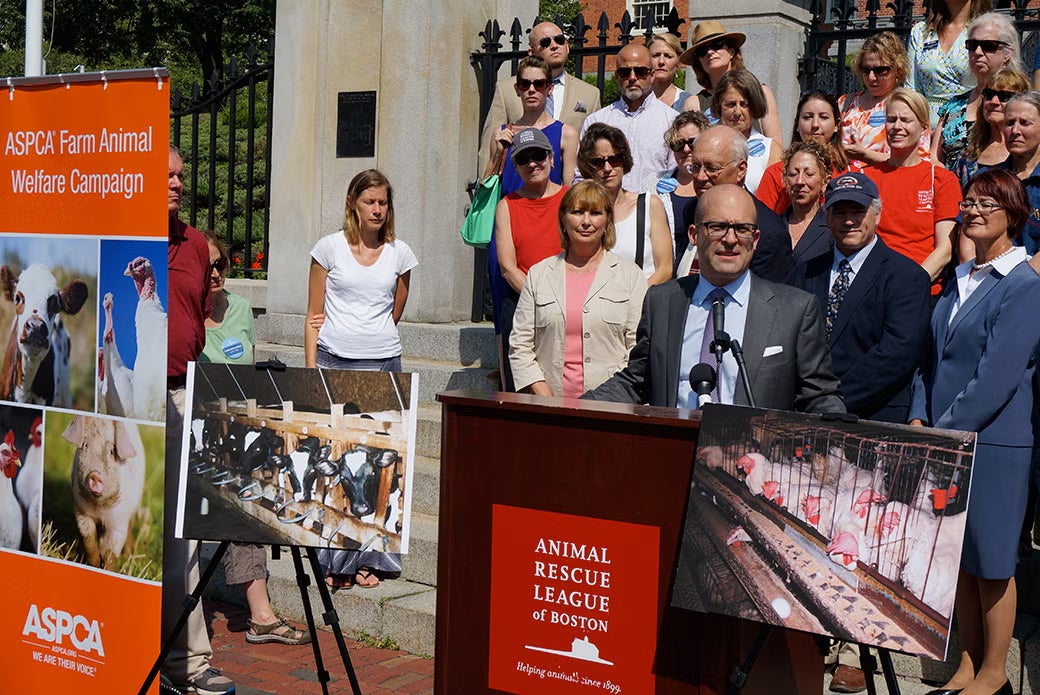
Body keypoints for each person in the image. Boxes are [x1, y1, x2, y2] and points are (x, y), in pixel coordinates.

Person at [910, 168, 1040, 695]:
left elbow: (996, 378)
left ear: (1014, 214)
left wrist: (944, 431)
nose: (976, 209)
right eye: (969, 201)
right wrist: (919, 416)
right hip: (946, 440)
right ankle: (965, 665)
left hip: (995, 444)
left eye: (990, 202)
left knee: (991, 561)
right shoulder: (957, 282)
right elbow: (929, 361)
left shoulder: (1025, 286)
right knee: (957, 561)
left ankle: (993, 673)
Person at [583, 183, 845, 414]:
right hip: (674, 455)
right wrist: (578, 407)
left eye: (742, 229)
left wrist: (840, 433)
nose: (730, 239)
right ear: (694, 235)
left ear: (755, 240)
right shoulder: (662, 301)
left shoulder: (795, 310)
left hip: (753, 463)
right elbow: (637, 381)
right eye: (718, 227)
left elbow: (820, 396)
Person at [305, 169, 417, 590]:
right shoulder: (328, 248)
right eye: (370, 201)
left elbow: (397, 304)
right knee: (337, 463)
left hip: (384, 363)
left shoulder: (399, 253)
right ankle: (336, 557)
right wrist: (313, 368)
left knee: (380, 464)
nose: (377, 209)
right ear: (353, 201)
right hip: (336, 361)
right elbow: (313, 313)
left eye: (383, 202)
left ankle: (375, 557)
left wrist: (374, 336)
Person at [200, 231, 310, 647]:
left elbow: (247, 366)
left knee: (247, 508)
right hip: (196, 425)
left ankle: (261, 616)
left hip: (238, 428)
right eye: (206, 265)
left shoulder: (243, 309)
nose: (214, 273)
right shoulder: (184, 313)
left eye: (220, 264)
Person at [162, 146, 236, 695]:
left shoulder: (194, 245)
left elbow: (197, 316)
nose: (176, 183)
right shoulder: (126, 236)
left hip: (181, 395)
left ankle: (187, 663)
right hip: (124, 405)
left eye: (181, 175)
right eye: (166, 174)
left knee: (181, 536)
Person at [789, 172, 931, 422]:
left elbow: (896, 353)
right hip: (807, 413)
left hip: (873, 416)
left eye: (857, 211)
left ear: (877, 215)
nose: (849, 221)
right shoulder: (806, 270)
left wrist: (833, 401)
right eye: (840, 212)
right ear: (827, 217)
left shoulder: (907, 277)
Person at [509, 181, 647, 397]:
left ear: (607, 221)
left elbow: (637, 347)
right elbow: (520, 344)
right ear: (563, 219)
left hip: (611, 405)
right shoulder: (539, 274)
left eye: (595, 213)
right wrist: (544, 395)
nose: (586, 222)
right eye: (577, 212)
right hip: (549, 404)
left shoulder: (630, 276)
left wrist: (611, 395)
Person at [862, 88, 961, 293]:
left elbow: (945, 250)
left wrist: (911, 285)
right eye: (891, 119)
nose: (897, 127)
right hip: (871, 287)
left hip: (919, 289)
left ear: (924, 127)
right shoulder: (866, 178)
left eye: (906, 120)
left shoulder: (941, 179)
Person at [493, 128, 567, 390]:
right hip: (522, 304)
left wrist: (559, 303)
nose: (533, 163)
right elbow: (508, 267)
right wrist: (541, 300)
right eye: (524, 159)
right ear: (516, 166)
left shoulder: (570, 199)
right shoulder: (507, 205)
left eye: (538, 155)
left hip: (568, 304)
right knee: (521, 389)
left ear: (552, 158)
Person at [478, 21, 600, 176]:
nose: (555, 46)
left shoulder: (590, 93)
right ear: (531, 51)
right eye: (545, 42)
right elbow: (490, 145)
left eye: (560, 40)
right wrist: (484, 189)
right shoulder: (507, 89)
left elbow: (596, 149)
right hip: (518, 182)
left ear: (567, 46)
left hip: (566, 188)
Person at [674, 125, 793, 282]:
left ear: (741, 170)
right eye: (695, 167)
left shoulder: (769, 233)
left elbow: (767, 301)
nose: (701, 177)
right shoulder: (691, 210)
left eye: (712, 168)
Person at [577, 124, 672, 285]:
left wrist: (633, 298)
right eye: (598, 162)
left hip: (641, 302)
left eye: (614, 160)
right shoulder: (580, 212)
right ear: (588, 166)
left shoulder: (649, 205)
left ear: (624, 161)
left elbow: (665, 269)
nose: (608, 168)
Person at [580, 43, 677, 190]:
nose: (632, 78)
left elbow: (676, 176)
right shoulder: (596, 121)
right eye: (625, 72)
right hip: (606, 208)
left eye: (640, 71)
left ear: (652, 75)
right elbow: (581, 174)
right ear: (617, 76)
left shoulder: (671, 121)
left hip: (653, 208)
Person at [932, 12, 1021, 168]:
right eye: (972, 46)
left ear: (1008, 53)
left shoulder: (1021, 101)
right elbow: (934, 159)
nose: (978, 52)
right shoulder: (952, 106)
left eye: (988, 46)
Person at [678, 19, 783, 142]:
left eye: (717, 44)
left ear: (731, 52)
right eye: (703, 50)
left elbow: (776, 147)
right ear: (699, 62)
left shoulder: (762, 92)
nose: (710, 52)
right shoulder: (694, 103)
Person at [483, 55, 578, 190]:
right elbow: (486, 187)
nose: (531, 90)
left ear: (549, 89)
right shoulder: (502, 133)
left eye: (539, 84)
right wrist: (497, 156)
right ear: (517, 89)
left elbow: (569, 189)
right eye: (525, 84)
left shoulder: (566, 133)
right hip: (509, 208)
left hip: (548, 209)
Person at [839, 32, 929, 169]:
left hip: (886, 184)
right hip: (845, 184)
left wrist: (866, 155)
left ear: (897, 70)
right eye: (866, 70)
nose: (871, 77)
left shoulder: (909, 105)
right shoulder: (845, 103)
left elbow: (920, 161)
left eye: (880, 70)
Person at [756, 90, 850, 215]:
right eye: (807, 117)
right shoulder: (775, 173)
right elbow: (761, 221)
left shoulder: (849, 174)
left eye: (823, 117)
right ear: (797, 124)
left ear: (836, 125)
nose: (815, 124)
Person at [907, 0, 993, 129]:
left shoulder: (985, 31)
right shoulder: (921, 32)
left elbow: (995, 81)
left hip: (970, 125)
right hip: (925, 127)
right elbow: (911, 88)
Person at [950, 67, 1030, 187]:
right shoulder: (967, 157)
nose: (994, 101)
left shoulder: (1030, 154)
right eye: (989, 94)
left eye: (1004, 96)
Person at [646, 110, 710, 257]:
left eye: (693, 142)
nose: (686, 149)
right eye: (679, 144)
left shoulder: (714, 183)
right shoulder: (652, 183)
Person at [709, 69, 782, 194]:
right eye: (731, 104)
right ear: (719, 106)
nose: (737, 112)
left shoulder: (771, 150)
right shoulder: (706, 144)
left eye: (744, 104)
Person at [998, 90, 1040, 254]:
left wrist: (1021, 278)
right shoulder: (987, 180)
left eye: (1024, 123)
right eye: (1009, 123)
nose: (1015, 130)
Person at [782, 141, 835, 266]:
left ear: (825, 182)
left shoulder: (832, 228)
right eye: (793, 174)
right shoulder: (773, 225)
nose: (799, 181)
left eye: (809, 174)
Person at [648, 32, 693, 111]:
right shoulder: (635, 100)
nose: (661, 61)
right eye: (656, 55)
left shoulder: (687, 101)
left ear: (678, 62)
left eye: (668, 56)